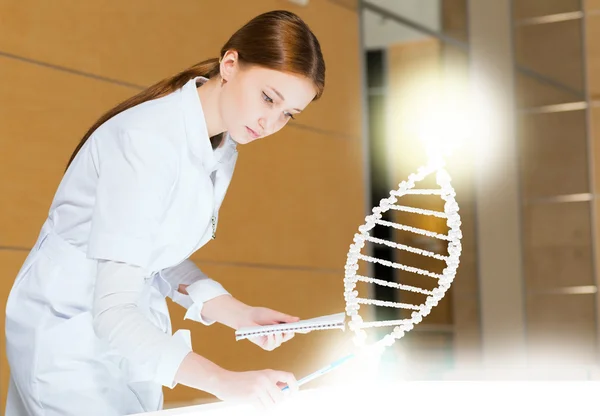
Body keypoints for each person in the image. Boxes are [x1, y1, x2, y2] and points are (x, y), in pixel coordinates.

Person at [4, 9, 325, 416]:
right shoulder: (146, 140)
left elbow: (155, 255)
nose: (270, 121)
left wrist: (240, 314)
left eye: (288, 115)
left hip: (129, 334)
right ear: (230, 64)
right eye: (268, 98)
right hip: (69, 335)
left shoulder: (222, 144)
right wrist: (225, 382)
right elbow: (113, 310)